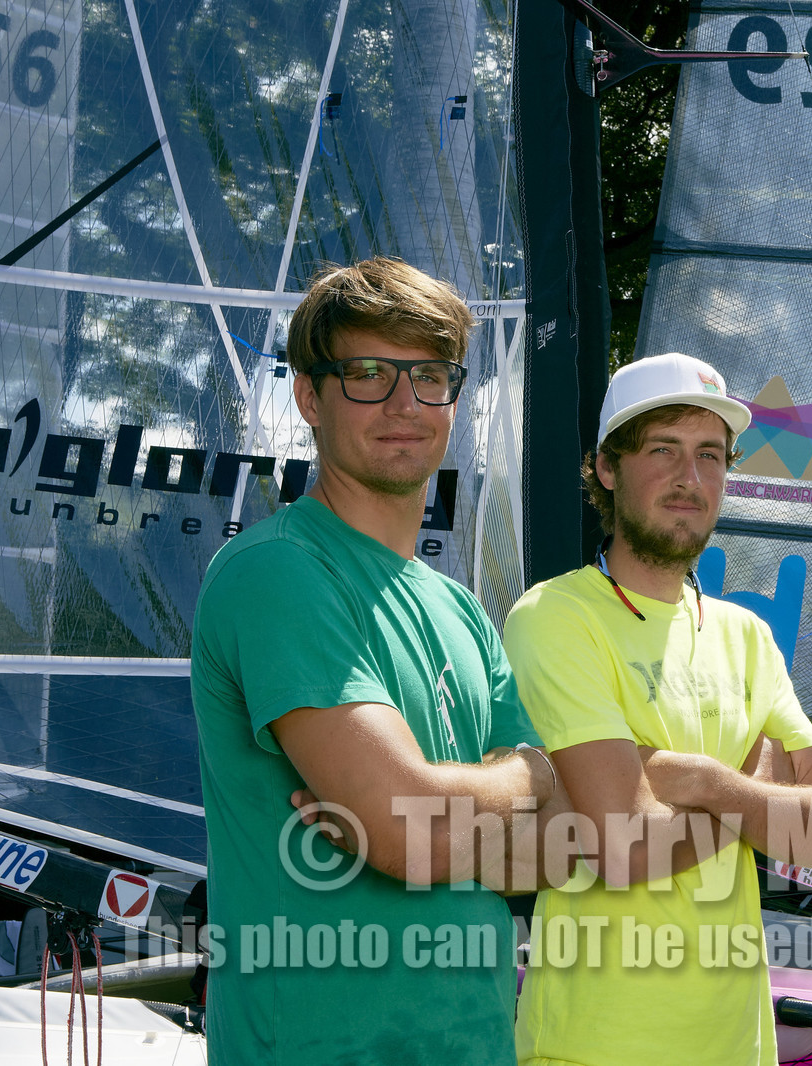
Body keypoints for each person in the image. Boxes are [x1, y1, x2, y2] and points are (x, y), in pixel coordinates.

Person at [191, 257, 560, 1066]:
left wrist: (437, 817)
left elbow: (557, 846)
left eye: (429, 377)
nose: (405, 405)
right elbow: (406, 829)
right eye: (367, 375)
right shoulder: (277, 572)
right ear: (308, 397)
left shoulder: (462, 609)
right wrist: (522, 777)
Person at [502, 352, 812, 1066]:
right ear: (607, 467)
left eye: (710, 455)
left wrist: (696, 779)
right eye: (663, 450)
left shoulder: (747, 636)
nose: (691, 477)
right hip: (593, 1046)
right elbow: (625, 847)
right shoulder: (555, 616)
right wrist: (753, 795)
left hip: (740, 1046)